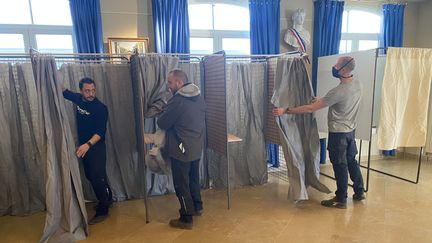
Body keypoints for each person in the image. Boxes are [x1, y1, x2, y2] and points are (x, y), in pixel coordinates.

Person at [272, 56, 365, 209]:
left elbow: (310, 109)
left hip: (338, 134)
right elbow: (338, 100)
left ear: (344, 69)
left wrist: (285, 110)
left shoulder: (338, 91)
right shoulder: (358, 85)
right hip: (350, 132)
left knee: (340, 165)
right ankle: (359, 191)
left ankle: (341, 199)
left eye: (337, 65)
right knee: (351, 161)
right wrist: (322, 100)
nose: (334, 67)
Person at [157, 69, 206, 229]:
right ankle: (197, 207)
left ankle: (186, 218)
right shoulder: (199, 97)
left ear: (179, 83)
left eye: (170, 82)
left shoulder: (177, 100)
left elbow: (163, 123)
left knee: (181, 184)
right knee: (193, 180)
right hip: (196, 146)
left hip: (181, 148)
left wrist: (164, 111)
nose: (168, 86)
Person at [62, 77, 113, 224]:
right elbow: (64, 91)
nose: (90, 94)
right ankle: (108, 198)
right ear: (81, 91)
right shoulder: (78, 99)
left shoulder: (100, 108)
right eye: (87, 91)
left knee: (98, 178)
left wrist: (87, 145)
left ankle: (103, 210)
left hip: (95, 147)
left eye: (93, 90)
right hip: (85, 147)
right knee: (91, 176)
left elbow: (100, 132)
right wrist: (50, 73)